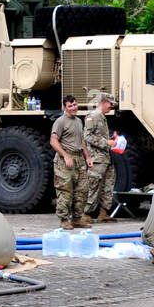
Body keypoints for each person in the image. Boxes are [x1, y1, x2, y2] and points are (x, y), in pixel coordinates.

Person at [49, 94, 91, 230]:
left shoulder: (79, 121)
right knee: (65, 190)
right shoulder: (60, 121)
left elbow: (82, 141)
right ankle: (63, 219)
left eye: (75, 105)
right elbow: (53, 141)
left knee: (82, 190)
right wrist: (66, 156)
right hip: (65, 160)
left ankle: (77, 218)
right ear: (64, 107)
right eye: (70, 106)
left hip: (79, 159)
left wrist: (87, 157)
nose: (73, 108)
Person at [84, 92, 119, 222]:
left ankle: (103, 213)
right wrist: (106, 143)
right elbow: (87, 136)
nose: (111, 107)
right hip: (97, 159)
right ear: (104, 103)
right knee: (93, 186)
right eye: (110, 104)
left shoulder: (102, 118)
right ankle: (85, 214)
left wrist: (111, 140)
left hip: (106, 158)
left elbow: (99, 136)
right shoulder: (92, 117)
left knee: (107, 186)